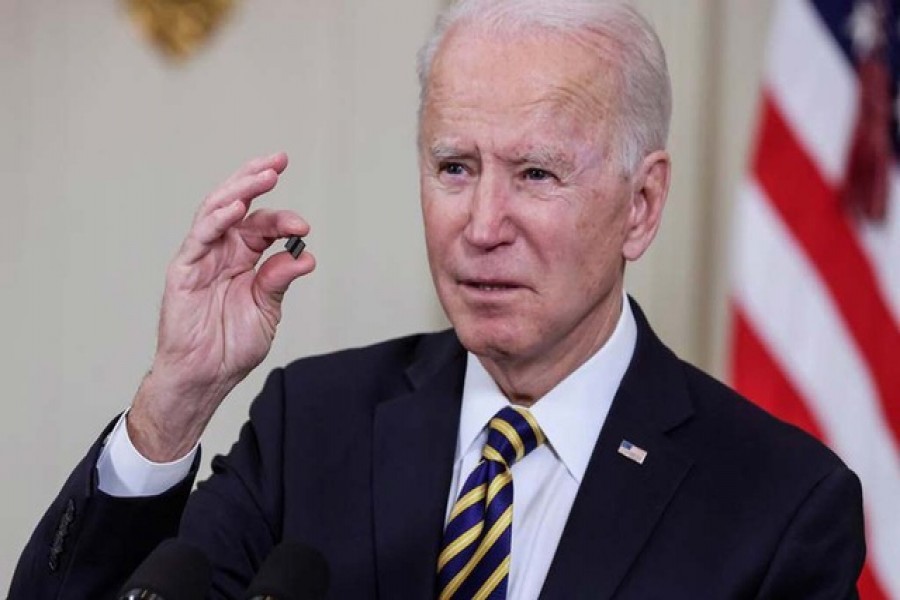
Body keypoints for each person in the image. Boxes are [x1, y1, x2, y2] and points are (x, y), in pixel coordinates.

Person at [10, 0, 865, 598]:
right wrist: (177, 398)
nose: (483, 224)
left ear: (640, 207)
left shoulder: (780, 504)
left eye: (536, 174)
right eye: (455, 167)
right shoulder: (312, 426)